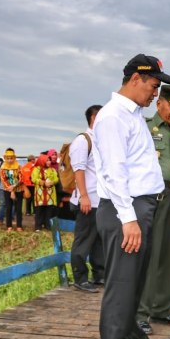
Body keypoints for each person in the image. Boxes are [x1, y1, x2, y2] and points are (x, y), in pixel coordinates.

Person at [93, 54, 170, 339]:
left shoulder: (133, 114)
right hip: (124, 209)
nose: (156, 93)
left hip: (139, 206)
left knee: (137, 279)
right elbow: (114, 173)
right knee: (122, 282)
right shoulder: (113, 116)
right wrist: (128, 219)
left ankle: (132, 336)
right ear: (135, 79)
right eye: (154, 86)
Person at [137, 85, 170, 334]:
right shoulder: (145, 127)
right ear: (159, 103)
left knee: (168, 254)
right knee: (150, 254)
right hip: (151, 196)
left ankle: (162, 308)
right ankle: (140, 312)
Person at [69, 105, 105, 293]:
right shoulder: (83, 140)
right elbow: (79, 169)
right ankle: (80, 277)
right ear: (93, 117)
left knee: (99, 240)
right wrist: (84, 196)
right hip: (87, 199)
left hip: (101, 200)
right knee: (83, 240)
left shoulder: (100, 140)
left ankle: (99, 274)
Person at [32, 154, 59, 231]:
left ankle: (48, 226)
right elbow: (34, 179)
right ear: (42, 161)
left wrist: (52, 182)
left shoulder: (53, 170)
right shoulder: (36, 169)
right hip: (40, 194)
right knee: (39, 210)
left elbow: (56, 179)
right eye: (47, 160)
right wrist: (43, 183)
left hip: (50, 194)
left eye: (49, 160)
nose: (49, 162)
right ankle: (38, 227)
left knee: (49, 210)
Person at [0, 148, 24, 232]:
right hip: (7, 190)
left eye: (11, 158)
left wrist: (14, 187)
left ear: (14, 158)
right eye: (8, 158)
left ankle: (19, 226)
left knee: (18, 208)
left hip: (19, 190)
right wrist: (11, 190)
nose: (9, 160)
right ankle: (9, 226)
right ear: (5, 158)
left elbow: (21, 179)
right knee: (8, 208)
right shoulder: (3, 168)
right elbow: (3, 179)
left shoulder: (19, 166)